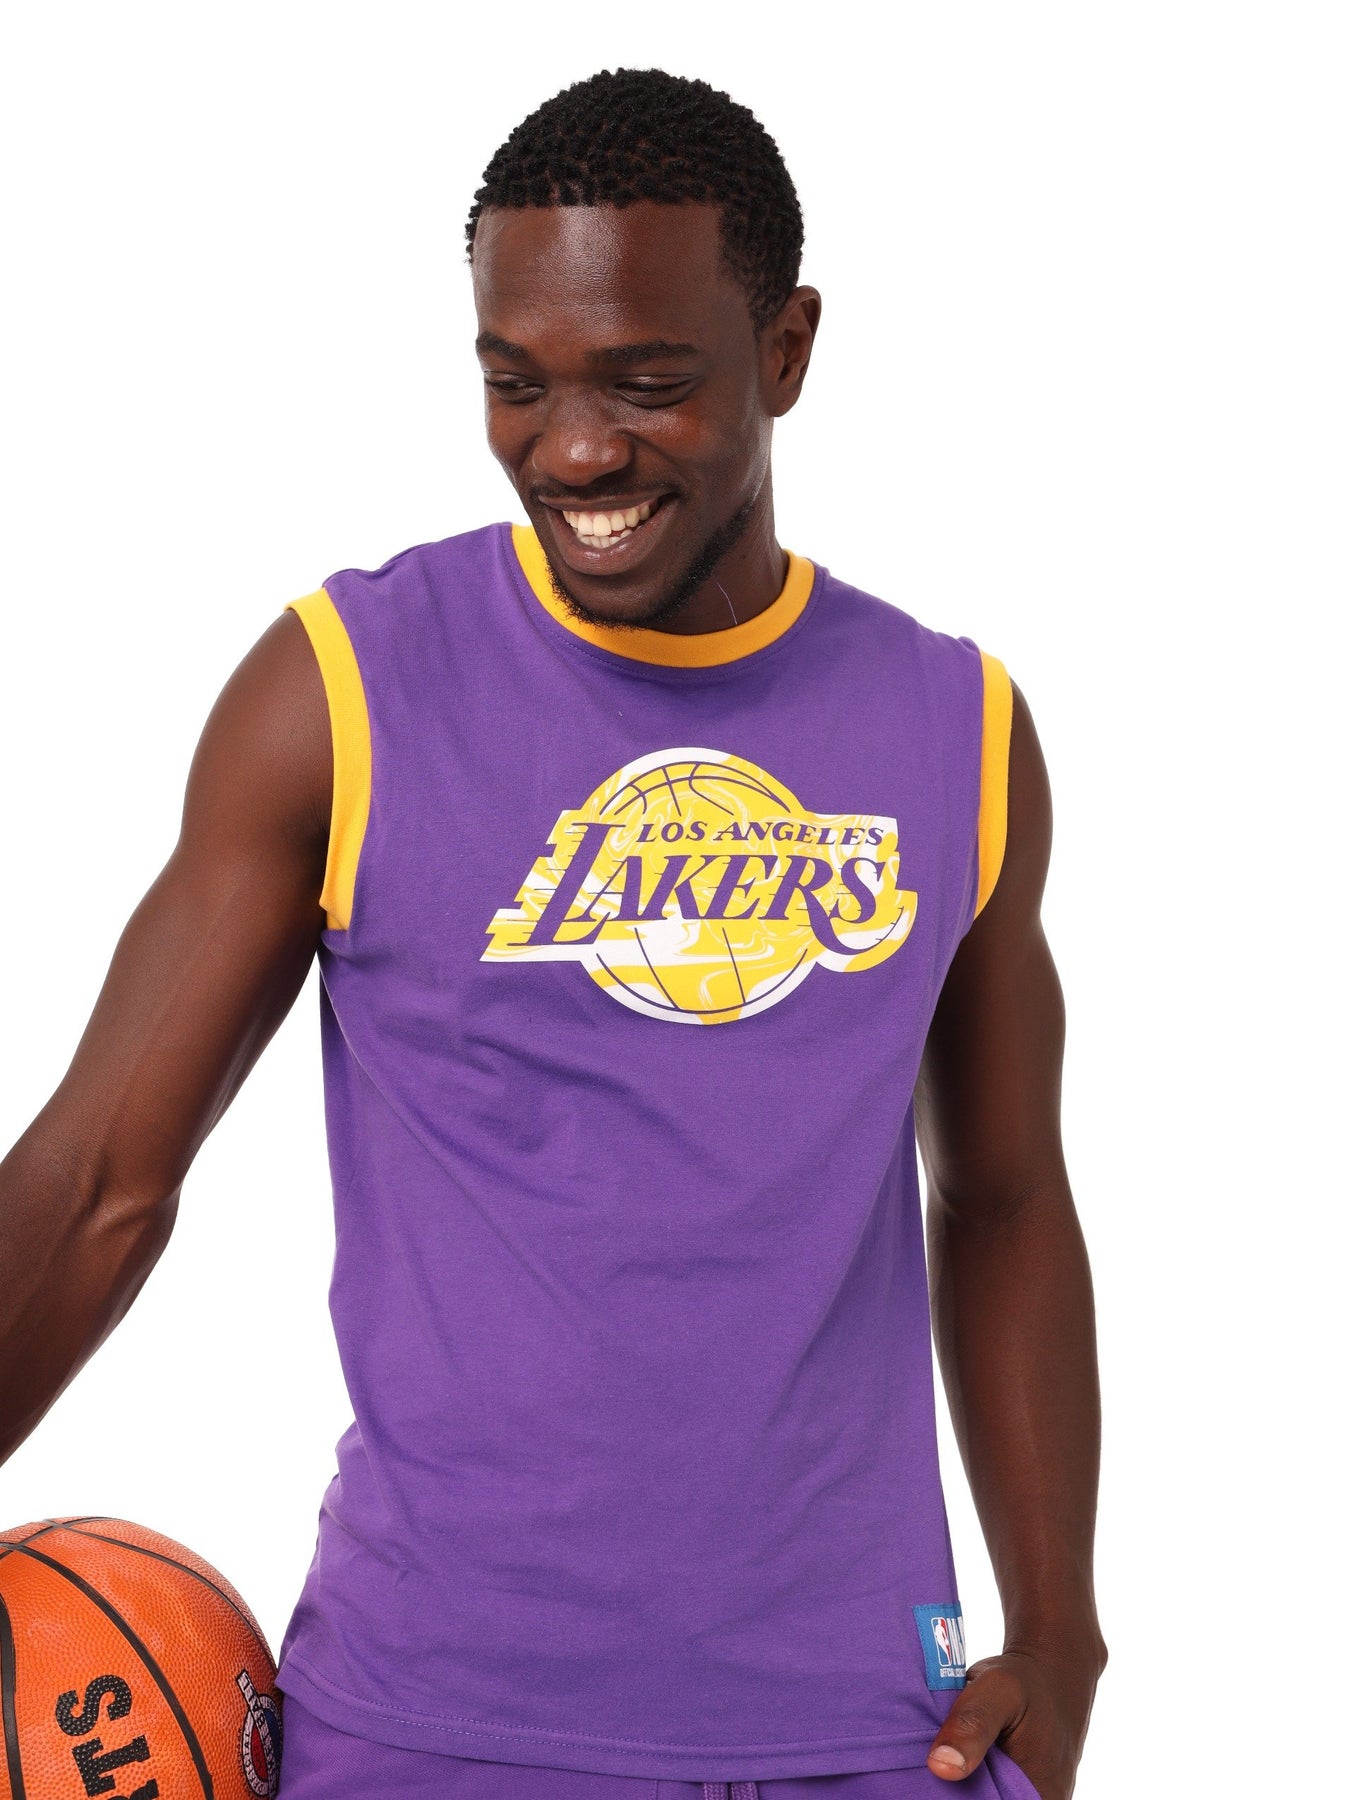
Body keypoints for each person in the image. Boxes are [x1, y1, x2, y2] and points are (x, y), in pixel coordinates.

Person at [0, 67, 1106, 1800]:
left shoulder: (956, 731)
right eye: (516, 385)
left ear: (788, 350)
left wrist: (1061, 1626)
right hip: (433, 1724)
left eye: (645, 383)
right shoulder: (344, 693)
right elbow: (97, 1185)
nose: (573, 450)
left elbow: (1008, 1195)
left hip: (871, 1732)